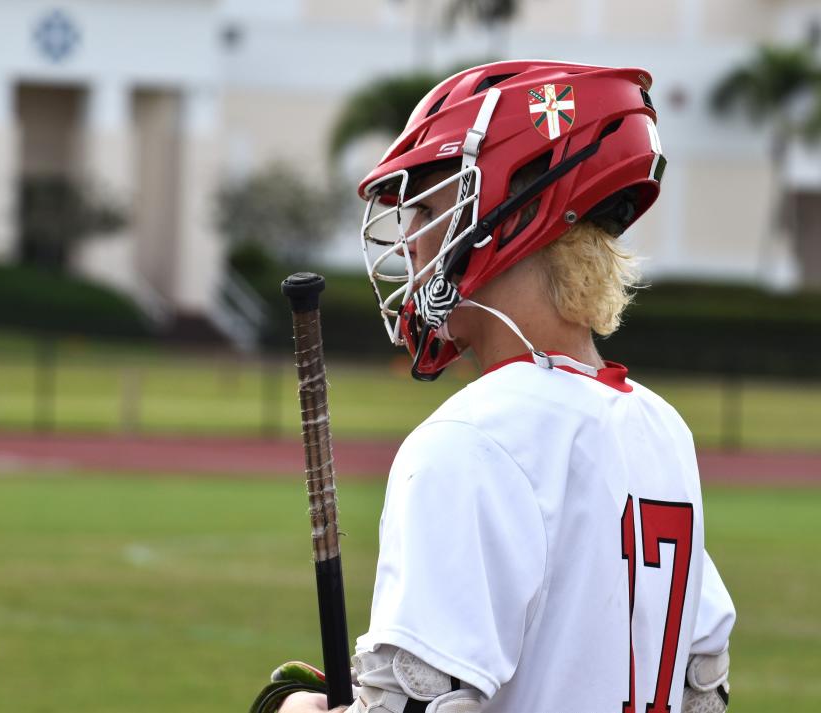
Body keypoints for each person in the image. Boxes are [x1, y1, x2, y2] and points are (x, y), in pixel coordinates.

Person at [274, 60, 735, 713]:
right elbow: (703, 688)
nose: (406, 239)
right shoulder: (662, 429)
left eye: (430, 205)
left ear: (516, 215)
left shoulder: (474, 437)